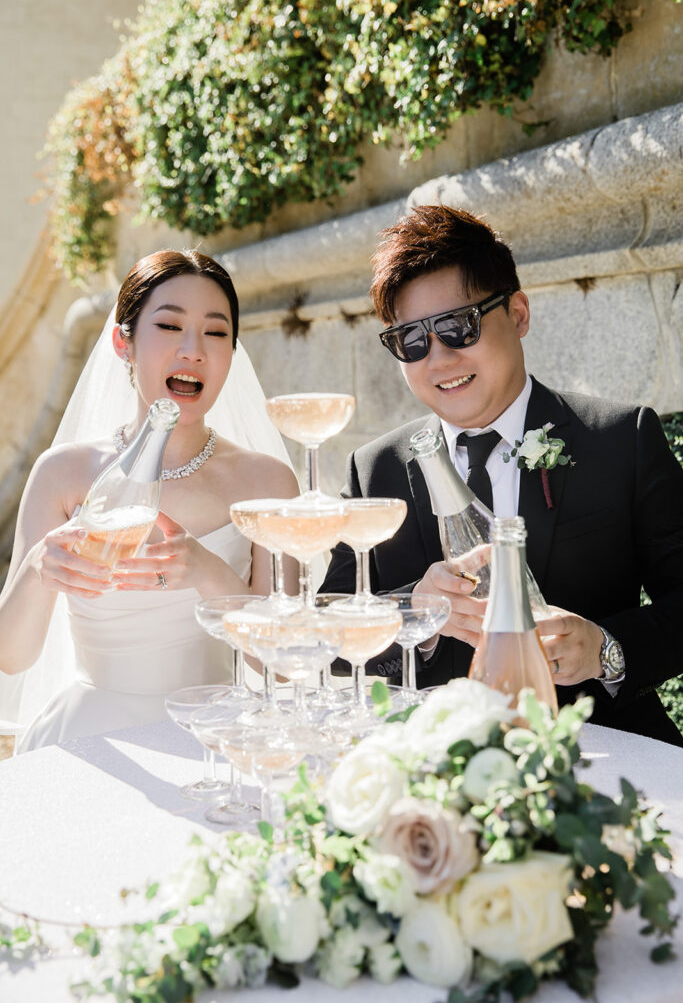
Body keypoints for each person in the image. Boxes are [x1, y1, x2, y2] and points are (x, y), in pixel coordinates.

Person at [321, 205, 683, 746]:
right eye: (411, 340)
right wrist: (413, 614)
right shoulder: (377, 469)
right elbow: (330, 633)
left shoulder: (620, 438)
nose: (438, 358)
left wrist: (604, 648)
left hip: (606, 749)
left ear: (517, 314)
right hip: (433, 765)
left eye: (457, 327)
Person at [0, 249, 299, 750]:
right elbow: (12, 655)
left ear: (232, 353)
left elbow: (284, 665)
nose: (194, 350)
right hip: (88, 741)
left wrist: (206, 571)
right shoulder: (63, 473)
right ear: (124, 343)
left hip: (215, 739)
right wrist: (38, 566)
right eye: (168, 326)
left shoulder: (267, 481)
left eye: (216, 332)